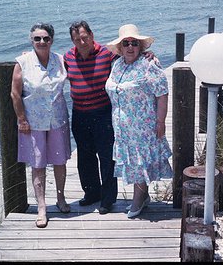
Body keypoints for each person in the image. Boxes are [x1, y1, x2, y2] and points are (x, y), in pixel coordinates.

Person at [63, 21, 157, 215]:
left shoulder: (107, 53)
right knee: (85, 156)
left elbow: (130, 53)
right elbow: (53, 66)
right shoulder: (67, 57)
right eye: (77, 39)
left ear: (91, 34)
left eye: (84, 37)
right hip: (80, 113)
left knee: (107, 157)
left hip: (103, 113)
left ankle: (107, 200)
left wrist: (148, 54)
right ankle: (91, 194)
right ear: (72, 41)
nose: (82, 41)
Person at [105, 24, 173, 218]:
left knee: (138, 162)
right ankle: (143, 197)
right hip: (122, 126)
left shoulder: (149, 64)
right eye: (125, 43)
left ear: (140, 46)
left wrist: (161, 121)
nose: (130, 47)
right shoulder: (116, 64)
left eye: (134, 43)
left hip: (142, 125)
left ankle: (138, 199)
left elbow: (162, 94)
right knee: (132, 161)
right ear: (120, 47)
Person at [11, 22, 71, 228]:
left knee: (60, 162)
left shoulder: (61, 60)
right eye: (37, 38)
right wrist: (21, 119)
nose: (42, 42)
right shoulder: (23, 62)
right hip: (33, 122)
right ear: (32, 40)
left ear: (52, 40)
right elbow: (15, 93)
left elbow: (85, 61)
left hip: (58, 119)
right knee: (38, 165)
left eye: (46, 38)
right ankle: (42, 207)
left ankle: (61, 199)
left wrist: (144, 53)